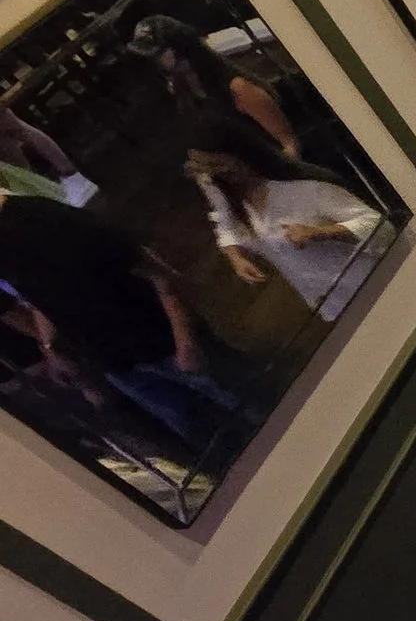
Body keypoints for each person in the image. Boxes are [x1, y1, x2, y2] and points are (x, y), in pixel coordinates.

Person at [0, 188, 260, 451]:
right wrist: (51, 347)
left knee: (256, 407)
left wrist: (185, 340)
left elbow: (157, 272)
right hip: (117, 366)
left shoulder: (45, 220)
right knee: (207, 443)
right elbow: (39, 298)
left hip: (163, 341)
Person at [183, 119, 386, 323]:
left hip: (377, 289)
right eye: (205, 171)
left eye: (217, 165)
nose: (212, 176)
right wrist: (236, 258)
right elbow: (224, 223)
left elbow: (380, 226)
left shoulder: (303, 188)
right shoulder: (238, 207)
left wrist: (321, 232)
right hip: (336, 309)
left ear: (238, 154)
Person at [130, 13, 298, 155]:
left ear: (180, 48)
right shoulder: (184, 90)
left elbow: (289, 145)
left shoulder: (236, 88)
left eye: (157, 55)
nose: (154, 62)